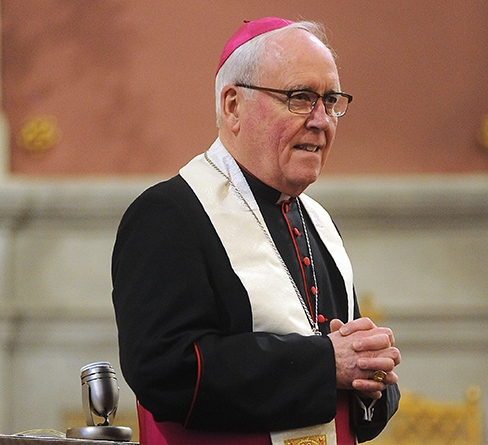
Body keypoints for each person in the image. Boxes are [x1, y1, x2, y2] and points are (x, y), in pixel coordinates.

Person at [112, 17, 401, 445]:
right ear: (233, 107)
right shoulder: (169, 215)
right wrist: (327, 365)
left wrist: (371, 372)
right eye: (300, 98)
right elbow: (167, 370)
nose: (321, 120)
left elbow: (350, 379)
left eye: (331, 100)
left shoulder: (318, 222)